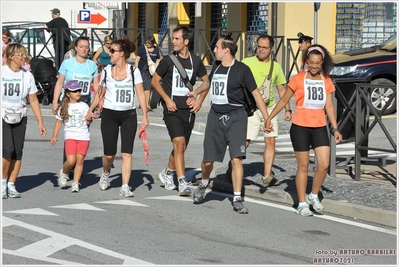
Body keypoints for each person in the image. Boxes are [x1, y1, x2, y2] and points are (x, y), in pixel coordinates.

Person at [188, 32, 270, 213]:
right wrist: (196, 92)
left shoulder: (242, 69)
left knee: (236, 160)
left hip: (236, 117)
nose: (214, 50)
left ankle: (237, 197)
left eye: (217, 47)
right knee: (208, 160)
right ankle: (203, 182)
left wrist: (267, 118)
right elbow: (208, 84)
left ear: (226, 50)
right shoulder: (216, 66)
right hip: (215, 117)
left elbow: (256, 94)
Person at [265, 44, 343, 216]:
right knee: (304, 166)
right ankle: (301, 203)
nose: (314, 66)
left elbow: (329, 106)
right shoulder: (298, 79)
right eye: (312, 62)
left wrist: (335, 128)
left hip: (320, 127)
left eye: (318, 63)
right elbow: (284, 100)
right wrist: (270, 117)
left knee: (324, 164)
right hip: (300, 127)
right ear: (307, 62)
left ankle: (314, 195)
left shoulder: (326, 81)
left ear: (322, 63)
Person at [86, 37, 149, 197]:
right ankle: (106, 173)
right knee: (109, 153)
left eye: (113, 51)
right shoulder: (106, 71)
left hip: (129, 114)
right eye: (110, 50)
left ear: (122, 53)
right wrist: (91, 110)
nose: (110, 53)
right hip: (110, 114)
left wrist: (145, 116)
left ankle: (125, 186)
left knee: (127, 152)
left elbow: (141, 95)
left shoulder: (134, 72)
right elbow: (100, 93)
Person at [151, 25, 210, 196]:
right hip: (172, 109)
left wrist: (199, 100)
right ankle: (182, 181)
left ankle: (167, 173)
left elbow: (206, 82)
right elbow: (155, 81)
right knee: (178, 143)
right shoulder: (168, 61)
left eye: (176, 39)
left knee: (182, 147)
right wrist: (167, 99)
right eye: (173, 38)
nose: (173, 42)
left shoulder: (196, 61)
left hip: (189, 111)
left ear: (186, 41)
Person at [242, 34, 292, 187]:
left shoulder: (275, 66)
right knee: (245, 141)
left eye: (264, 47)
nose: (261, 50)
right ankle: (235, 166)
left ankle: (266, 176)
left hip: (269, 108)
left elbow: (282, 89)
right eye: (259, 46)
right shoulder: (246, 63)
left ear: (271, 49)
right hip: (250, 108)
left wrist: (287, 109)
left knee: (270, 141)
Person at [2, 43, 47, 199]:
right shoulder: (2, 72)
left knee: (17, 152)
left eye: (24, 54)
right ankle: (2, 182)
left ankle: (11, 184)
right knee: (7, 149)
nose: (23, 57)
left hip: (20, 115)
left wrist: (40, 122)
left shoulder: (27, 75)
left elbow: (33, 100)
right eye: (20, 54)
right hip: (3, 115)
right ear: (10, 56)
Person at [52, 36, 98, 177]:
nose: (84, 49)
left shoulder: (92, 65)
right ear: (76, 48)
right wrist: (55, 101)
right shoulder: (68, 64)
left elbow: (96, 86)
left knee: (81, 132)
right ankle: (68, 166)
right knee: (70, 133)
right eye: (82, 46)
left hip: (85, 103)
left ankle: (78, 165)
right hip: (67, 102)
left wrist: (97, 104)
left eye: (87, 47)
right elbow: (60, 82)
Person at [50, 80, 92, 193]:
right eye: (74, 91)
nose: (78, 93)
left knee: (80, 161)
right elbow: (58, 122)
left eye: (79, 90)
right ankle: (64, 172)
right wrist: (54, 136)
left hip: (84, 137)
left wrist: (89, 119)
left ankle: (75, 183)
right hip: (70, 137)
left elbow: (88, 122)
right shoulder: (63, 107)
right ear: (68, 93)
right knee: (71, 161)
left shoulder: (84, 106)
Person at [135, 34, 162, 112]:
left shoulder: (156, 49)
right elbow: (137, 59)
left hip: (152, 70)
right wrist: (136, 70)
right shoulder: (142, 48)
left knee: (151, 88)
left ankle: (148, 104)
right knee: (147, 87)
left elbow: (158, 59)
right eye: (146, 42)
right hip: (143, 69)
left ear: (152, 42)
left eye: (149, 43)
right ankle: (146, 105)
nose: (147, 44)